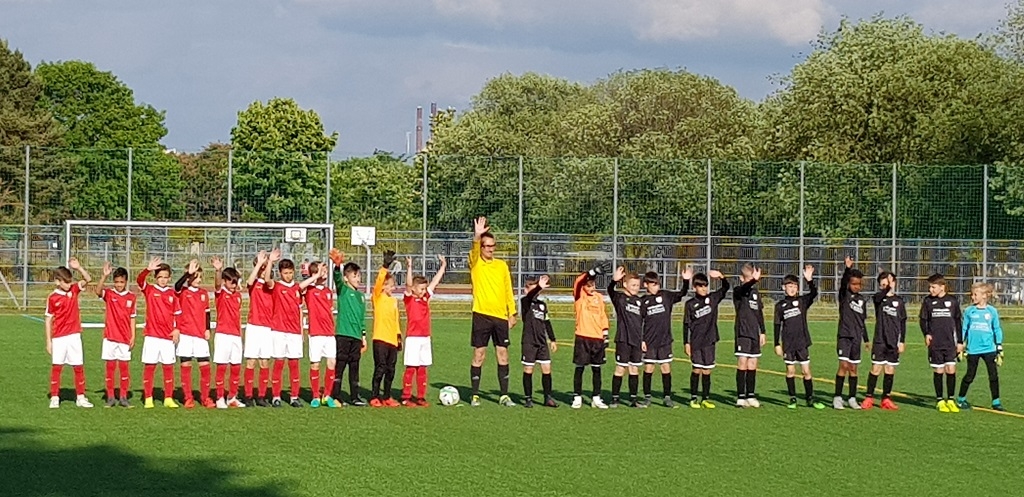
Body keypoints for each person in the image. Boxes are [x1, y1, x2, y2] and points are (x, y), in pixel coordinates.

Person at [468, 217, 518, 407]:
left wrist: (512, 312)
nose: (490, 249)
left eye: (493, 245)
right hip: (481, 314)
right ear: (481, 247)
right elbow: (473, 249)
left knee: (503, 354)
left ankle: (504, 395)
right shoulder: (476, 263)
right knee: (479, 354)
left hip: (500, 317)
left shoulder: (502, 266)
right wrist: (477, 235)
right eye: (487, 246)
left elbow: (508, 289)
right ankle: (475, 395)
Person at [266, 253, 318, 408]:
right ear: (280, 273)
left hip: (294, 332)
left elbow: (300, 307)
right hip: (279, 331)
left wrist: (316, 275)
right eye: (285, 273)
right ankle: (276, 396)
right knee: (278, 363)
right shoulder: (276, 286)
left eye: (290, 272)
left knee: (294, 364)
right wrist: (270, 261)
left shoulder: (296, 288)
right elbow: (267, 279)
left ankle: (294, 397)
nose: (288, 275)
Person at [773, 265, 826, 410]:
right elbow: (777, 324)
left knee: (806, 371)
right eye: (789, 286)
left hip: (802, 343)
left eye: (795, 286)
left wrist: (809, 280)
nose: (792, 289)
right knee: (790, 371)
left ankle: (810, 399)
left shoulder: (802, 302)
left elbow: (814, 293)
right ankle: (792, 398)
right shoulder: (780, 305)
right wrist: (777, 343)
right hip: (788, 344)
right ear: (784, 288)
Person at [639, 267, 691, 408]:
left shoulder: (666, 296)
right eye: (653, 284)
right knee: (649, 368)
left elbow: (682, 293)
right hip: (649, 341)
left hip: (665, 341)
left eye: (657, 284)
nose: (656, 286)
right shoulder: (643, 301)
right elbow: (639, 322)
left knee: (665, 367)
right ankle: (647, 398)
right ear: (646, 285)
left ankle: (667, 397)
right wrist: (642, 340)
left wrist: (686, 281)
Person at [46, 258, 93, 409]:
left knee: (78, 367)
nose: (68, 284)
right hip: (59, 338)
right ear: (57, 282)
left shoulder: (74, 290)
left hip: (74, 336)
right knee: (57, 367)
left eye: (69, 281)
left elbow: (88, 279)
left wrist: (79, 267)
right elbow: (48, 319)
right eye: (65, 282)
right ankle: (55, 397)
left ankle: (80, 397)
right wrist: (49, 341)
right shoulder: (52, 297)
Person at [402, 255, 446, 407]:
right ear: (414, 289)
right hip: (413, 338)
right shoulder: (409, 299)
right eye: (420, 289)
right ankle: (406, 397)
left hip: (425, 338)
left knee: (422, 368)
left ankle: (421, 396)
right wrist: (409, 267)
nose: (423, 291)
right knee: (411, 368)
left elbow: (435, 282)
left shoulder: (425, 298)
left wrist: (443, 266)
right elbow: (408, 284)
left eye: (424, 289)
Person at [138, 258, 181, 409]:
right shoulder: (150, 290)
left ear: (169, 278)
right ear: (156, 277)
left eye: (165, 277)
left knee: (168, 367)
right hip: (152, 336)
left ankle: (168, 398)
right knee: (150, 367)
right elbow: (139, 280)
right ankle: (148, 398)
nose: (163, 280)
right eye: (160, 277)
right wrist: (147, 269)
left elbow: (178, 314)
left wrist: (177, 329)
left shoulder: (172, 294)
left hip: (167, 337)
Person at [683, 270, 729, 409]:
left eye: (705, 286)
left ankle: (705, 398)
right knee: (697, 369)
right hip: (696, 341)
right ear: (694, 287)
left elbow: (725, 288)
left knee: (707, 370)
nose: (704, 289)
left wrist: (721, 276)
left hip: (710, 340)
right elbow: (686, 324)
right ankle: (693, 398)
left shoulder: (713, 298)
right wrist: (686, 343)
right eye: (700, 286)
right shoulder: (690, 304)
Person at [861, 271, 906, 411]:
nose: (884, 286)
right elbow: (879, 296)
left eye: (887, 284)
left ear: (894, 283)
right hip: (880, 340)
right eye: (882, 284)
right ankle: (869, 397)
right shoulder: (878, 299)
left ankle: (886, 398)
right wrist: (888, 287)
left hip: (893, 341)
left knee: (890, 369)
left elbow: (902, 322)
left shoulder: (899, 301)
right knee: (876, 368)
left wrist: (902, 341)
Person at [174, 259, 215, 409]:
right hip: (185, 334)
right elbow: (177, 286)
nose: (198, 280)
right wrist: (187, 273)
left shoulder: (204, 293)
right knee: (186, 365)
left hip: (200, 335)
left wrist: (207, 329)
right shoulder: (182, 292)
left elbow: (207, 313)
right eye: (196, 277)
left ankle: (205, 397)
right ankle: (188, 397)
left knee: (205, 366)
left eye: (200, 277)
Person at [957, 282, 1005, 411]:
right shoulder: (969, 311)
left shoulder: (992, 311)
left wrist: (999, 346)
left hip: (989, 348)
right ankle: (961, 399)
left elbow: (996, 328)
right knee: (970, 375)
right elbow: (964, 329)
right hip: (973, 349)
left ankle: (996, 402)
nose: (972, 297)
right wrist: (960, 344)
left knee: (993, 376)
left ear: (984, 295)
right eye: (972, 294)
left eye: (975, 294)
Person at [919, 273, 963, 413]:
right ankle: (939, 400)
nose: (930, 290)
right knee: (939, 370)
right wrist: (926, 333)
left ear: (942, 287)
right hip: (936, 343)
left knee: (951, 369)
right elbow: (923, 320)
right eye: (930, 287)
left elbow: (958, 322)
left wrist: (960, 341)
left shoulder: (952, 301)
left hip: (950, 342)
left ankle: (950, 399)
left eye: (933, 287)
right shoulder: (928, 301)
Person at [330, 248, 368, 406]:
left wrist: (363, 335)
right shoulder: (343, 290)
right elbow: (336, 278)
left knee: (354, 367)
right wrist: (337, 266)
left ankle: (354, 396)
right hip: (343, 335)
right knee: (340, 365)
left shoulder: (361, 296)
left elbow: (362, 318)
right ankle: (336, 395)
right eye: (354, 276)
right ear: (346, 278)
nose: (358, 279)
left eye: (359, 276)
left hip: (356, 337)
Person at [95, 261, 136, 408]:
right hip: (110, 338)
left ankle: (123, 397)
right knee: (110, 368)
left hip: (124, 338)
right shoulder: (109, 294)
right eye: (117, 282)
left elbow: (132, 317)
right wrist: (104, 276)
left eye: (121, 282)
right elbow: (98, 291)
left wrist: (133, 336)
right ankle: (111, 397)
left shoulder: (131, 297)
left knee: (124, 368)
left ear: (126, 282)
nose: (119, 285)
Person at [571, 267, 610, 409]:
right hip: (583, 336)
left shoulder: (599, 297)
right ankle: (577, 397)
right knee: (580, 368)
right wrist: (591, 272)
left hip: (597, 338)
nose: (591, 287)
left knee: (597, 369)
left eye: (593, 284)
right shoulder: (579, 296)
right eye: (588, 285)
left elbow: (602, 315)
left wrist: (605, 333)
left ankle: (596, 397)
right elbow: (578, 281)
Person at [834, 256, 869, 410]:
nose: (856, 286)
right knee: (844, 365)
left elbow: (862, 321)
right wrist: (847, 268)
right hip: (844, 336)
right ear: (849, 283)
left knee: (854, 368)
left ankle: (852, 398)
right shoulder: (844, 296)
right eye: (854, 284)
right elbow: (843, 283)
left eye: (859, 284)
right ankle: (837, 397)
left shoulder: (862, 300)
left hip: (856, 337)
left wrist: (866, 339)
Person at [211, 256, 245, 409]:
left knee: (236, 367)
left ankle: (232, 397)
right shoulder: (221, 293)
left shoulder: (238, 296)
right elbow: (217, 284)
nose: (234, 285)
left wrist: (240, 334)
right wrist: (218, 270)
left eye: (235, 282)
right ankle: (219, 397)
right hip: (223, 335)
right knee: (222, 367)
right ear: (225, 281)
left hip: (235, 336)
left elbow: (238, 316)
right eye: (231, 282)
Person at [304, 261, 340, 408]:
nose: (325, 273)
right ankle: (315, 396)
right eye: (322, 271)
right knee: (315, 364)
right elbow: (300, 287)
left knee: (332, 362)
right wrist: (314, 276)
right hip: (316, 333)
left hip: (329, 333)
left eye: (325, 271)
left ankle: (327, 395)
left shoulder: (328, 292)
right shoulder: (309, 290)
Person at [608, 267, 643, 408]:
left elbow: (644, 321)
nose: (636, 288)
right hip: (623, 339)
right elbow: (610, 291)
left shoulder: (640, 301)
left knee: (634, 369)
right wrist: (613, 281)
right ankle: (614, 398)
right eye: (633, 285)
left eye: (638, 285)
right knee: (621, 368)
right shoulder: (620, 298)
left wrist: (643, 340)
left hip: (637, 340)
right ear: (625, 284)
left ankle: (633, 399)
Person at [370, 250, 402, 407]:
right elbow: (378, 282)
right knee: (380, 368)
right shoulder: (377, 297)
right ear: (383, 286)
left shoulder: (394, 301)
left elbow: (396, 320)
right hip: (380, 339)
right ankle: (374, 396)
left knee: (391, 369)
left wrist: (398, 337)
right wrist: (385, 267)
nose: (393, 288)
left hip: (392, 340)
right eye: (391, 286)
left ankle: (387, 396)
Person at [520, 274, 556, 408]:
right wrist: (538, 287)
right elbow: (530, 296)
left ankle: (548, 398)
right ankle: (528, 398)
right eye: (533, 288)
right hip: (529, 342)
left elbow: (547, 322)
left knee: (546, 369)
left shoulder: (542, 305)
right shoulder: (525, 302)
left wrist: (552, 339)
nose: (536, 291)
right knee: (529, 369)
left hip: (542, 342)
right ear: (526, 290)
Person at [243, 251, 274, 407]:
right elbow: (249, 281)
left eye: (265, 267)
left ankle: (261, 396)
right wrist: (259, 263)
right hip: (253, 326)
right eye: (261, 267)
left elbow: (267, 279)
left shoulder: (272, 284)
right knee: (251, 361)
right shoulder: (253, 283)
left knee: (264, 362)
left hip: (267, 328)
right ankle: (248, 395)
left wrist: (268, 262)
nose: (263, 269)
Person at [732, 263, 764, 408]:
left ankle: (750, 395)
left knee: (753, 364)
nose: (751, 281)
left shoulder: (755, 293)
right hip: (743, 333)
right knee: (742, 363)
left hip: (754, 333)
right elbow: (745, 288)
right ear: (741, 278)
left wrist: (763, 331)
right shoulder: (738, 291)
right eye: (748, 278)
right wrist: (753, 280)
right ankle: (740, 397)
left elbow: (759, 313)